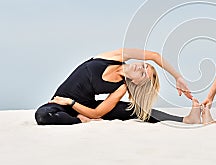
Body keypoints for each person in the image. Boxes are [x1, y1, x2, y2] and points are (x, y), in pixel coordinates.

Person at [35, 48, 201, 125]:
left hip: (80, 107)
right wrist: (178, 77)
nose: (140, 68)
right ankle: (77, 120)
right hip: (59, 104)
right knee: (42, 116)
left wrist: (70, 103)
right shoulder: (114, 57)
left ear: (136, 82)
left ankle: (186, 119)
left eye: (143, 74)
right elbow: (154, 56)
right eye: (144, 66)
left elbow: (97, 113)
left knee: (136, 110)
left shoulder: (121, 87)